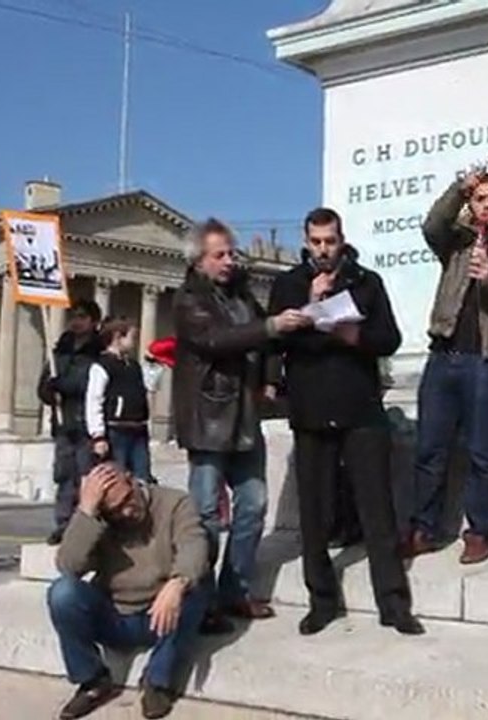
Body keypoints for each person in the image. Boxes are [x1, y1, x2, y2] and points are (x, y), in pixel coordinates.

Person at [267, 207, 422, 636]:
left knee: (377, 508)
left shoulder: (366, 282)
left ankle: (393, 603)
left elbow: (389, 337)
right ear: (305, 241)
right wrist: (312, 305)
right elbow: (277, 342)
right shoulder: (287, 285)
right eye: (315, 242)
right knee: (314, 512)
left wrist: (356, 337)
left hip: (360, 407)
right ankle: (322, 601)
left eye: (330, 241)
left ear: (341, 239)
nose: (323, 250)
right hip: (311, 409)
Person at [173, 217, 309, 628]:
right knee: (206, 516)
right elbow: (215, 340)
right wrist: (270, 326)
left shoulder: (244, 296)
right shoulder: (188, 299)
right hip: (209, 418)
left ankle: (236, 590)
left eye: (232, 252)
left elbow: (266, 341)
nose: (230, 260)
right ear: (200, 261)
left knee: (253, 505)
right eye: (220, 255)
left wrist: (270, 379)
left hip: (246, 416)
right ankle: (202, 599)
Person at [407, 169, 488, 565]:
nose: (487, 205)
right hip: (444, 357)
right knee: (430, 447)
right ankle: (422, 529)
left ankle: (480, 531)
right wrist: (458, 189)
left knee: (483, 451)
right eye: (480, 198)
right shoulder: (456, 241)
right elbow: (432, 226)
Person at [47, 463, 210, 720]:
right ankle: (93, 681)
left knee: (194, 592)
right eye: (116, 510)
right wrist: (87, 512)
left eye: (127, 499)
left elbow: (195, 545)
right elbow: (68, 566)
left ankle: (157, 683)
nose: (127, 510)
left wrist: (177, 583)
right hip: (114, 615)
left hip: (161, 615)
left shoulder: (175, 502)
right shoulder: (100, 520)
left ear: (132, 479)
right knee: (62, 593)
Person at [38, 299, 104, 546]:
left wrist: (63, 386)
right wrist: (49, 391)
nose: (76, 322)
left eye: (82, 317)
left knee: (86, 477)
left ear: (93, 321)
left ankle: (84, 525)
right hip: (64, 424)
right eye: (73, 316)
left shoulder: (98, 352)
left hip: (86, 424)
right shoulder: (60, 352)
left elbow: (91, 386)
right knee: (64, 476)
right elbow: (44, 385)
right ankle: (63, 524)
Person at [85, 317, 153, 482]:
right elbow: (94, 400)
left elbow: (148, 388)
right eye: (132, 337)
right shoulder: (102, 365)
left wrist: (154, 368)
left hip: (138, 429)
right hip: (116, 430)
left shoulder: (133, 366)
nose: (134, 342)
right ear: (117, 337)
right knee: (117, 478)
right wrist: (98, 436)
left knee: (142, 478)